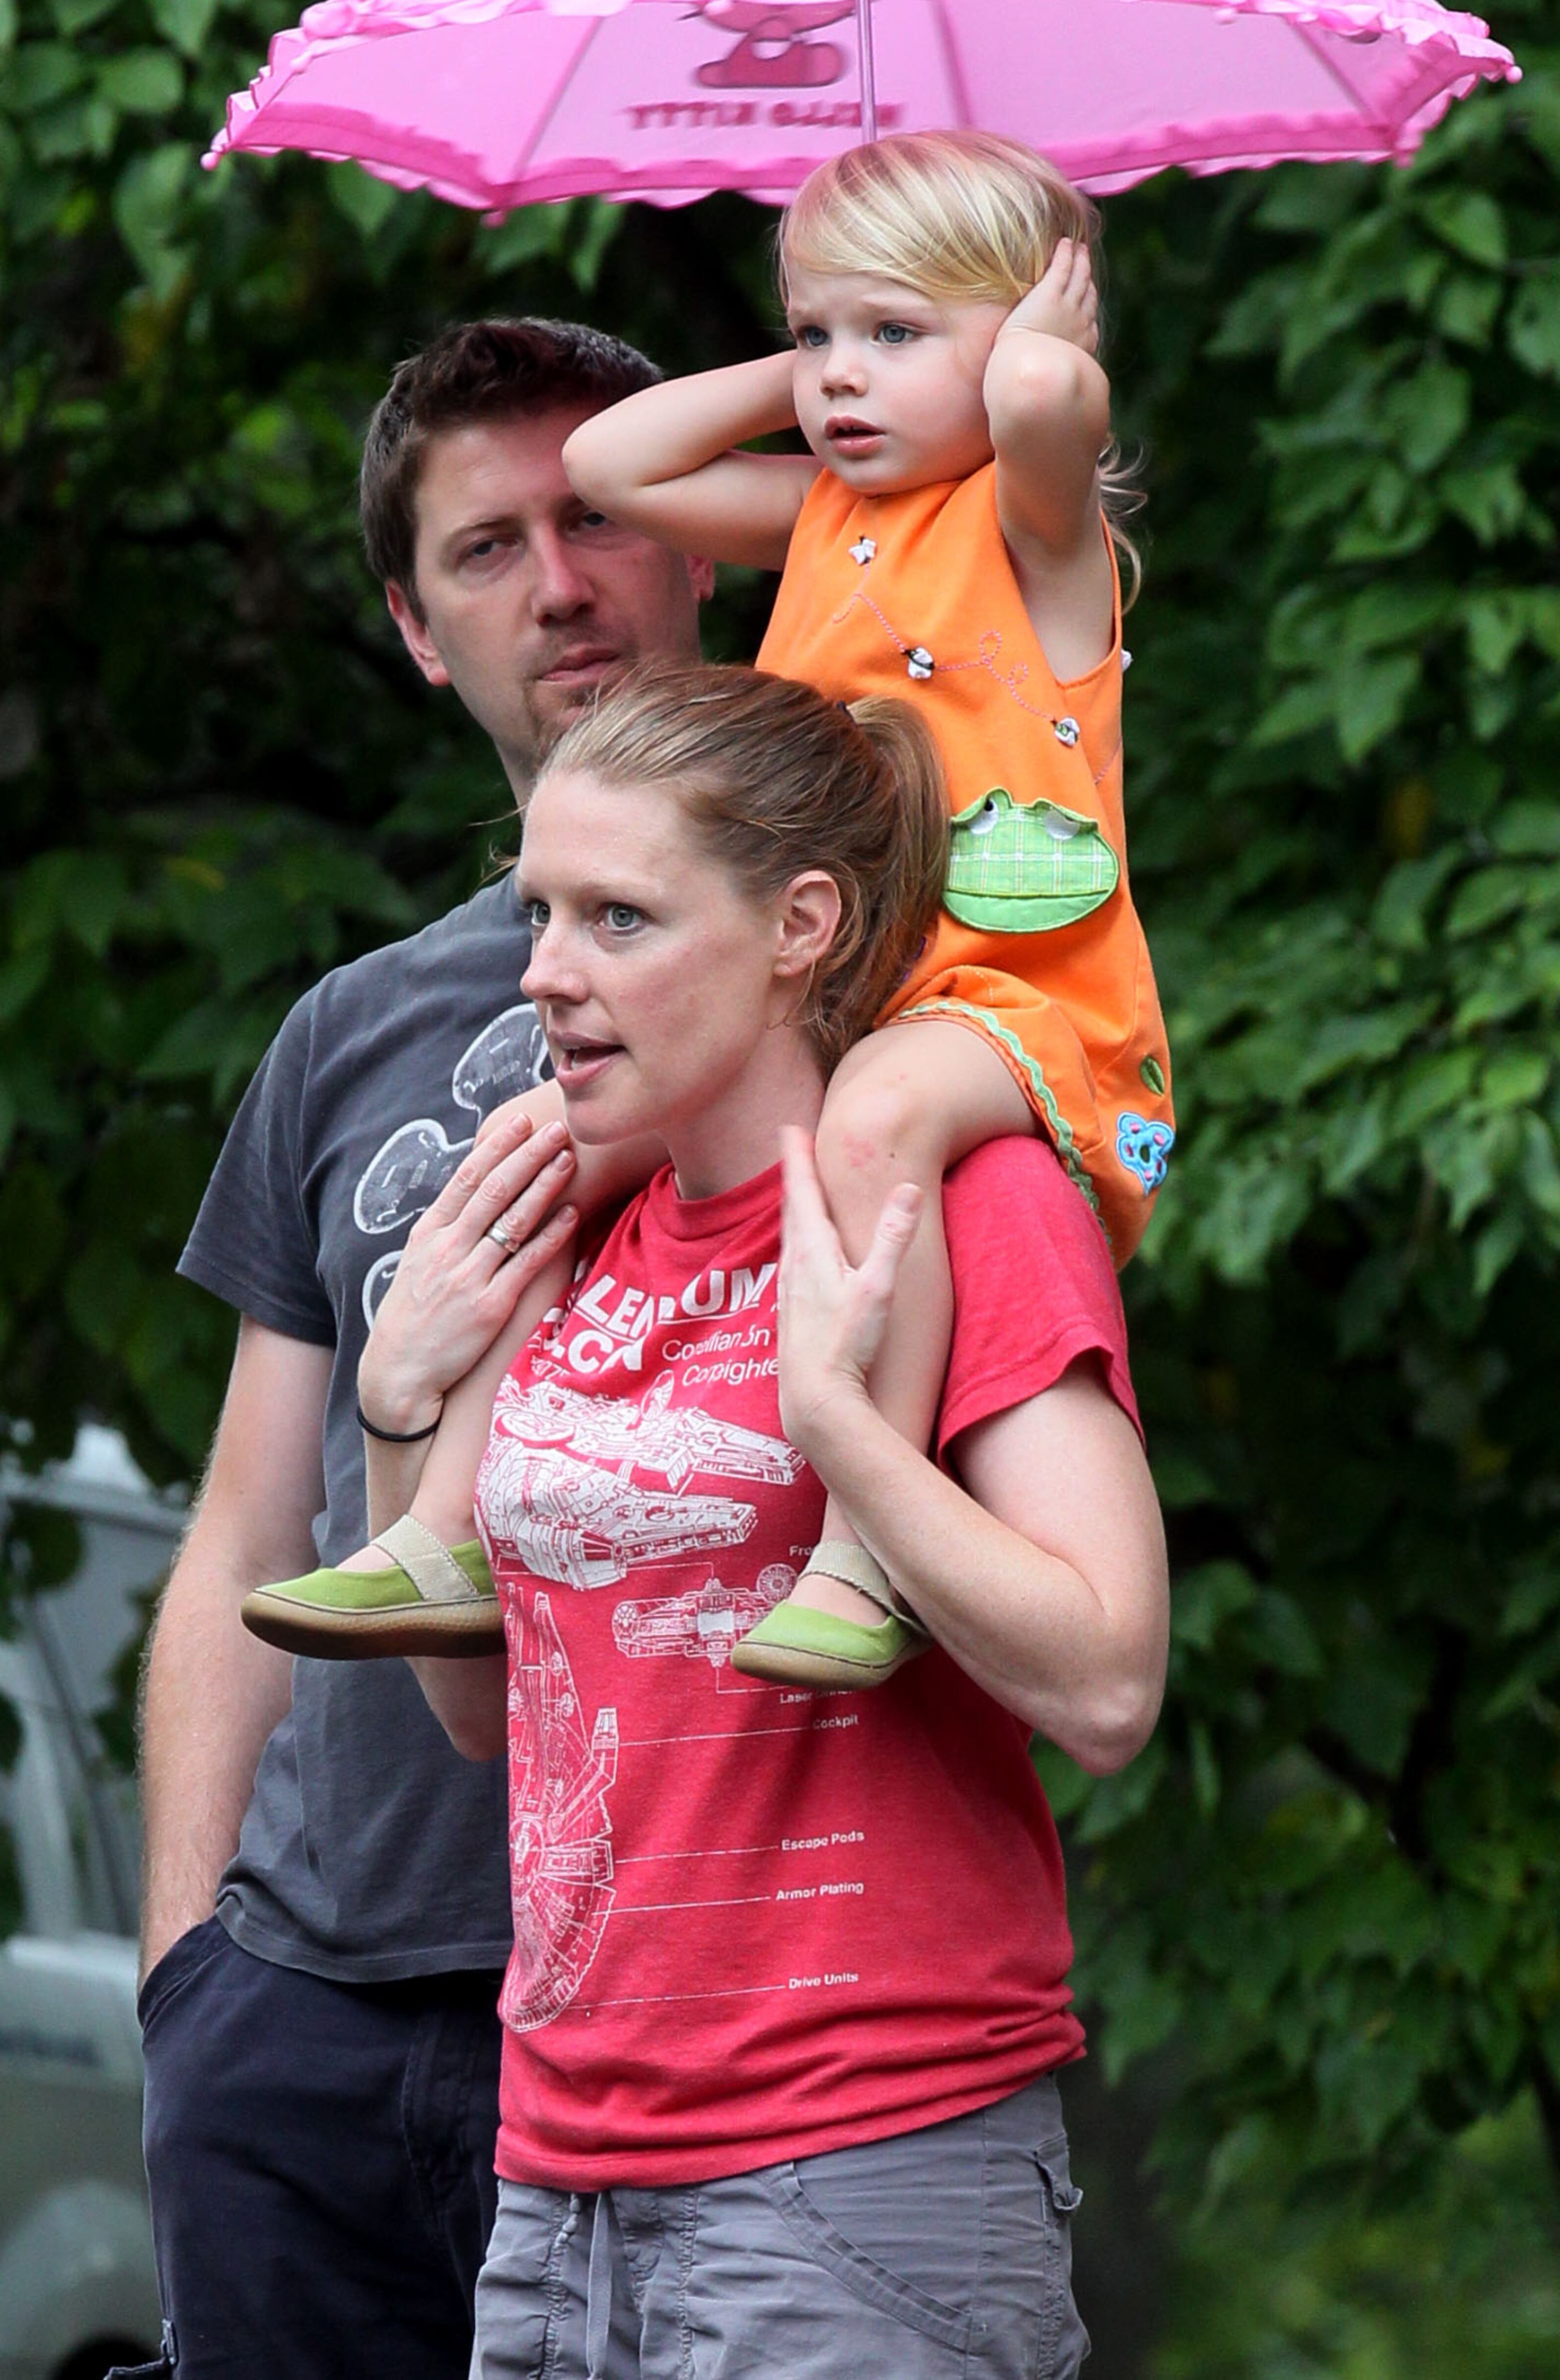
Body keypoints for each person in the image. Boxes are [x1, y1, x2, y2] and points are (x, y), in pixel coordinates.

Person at [257, 128, 1173, 1693]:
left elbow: (1038, 409)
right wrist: (826, 362)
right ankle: (451, 1529)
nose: (841, 375)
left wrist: (1031, 334)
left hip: (1015, 1015)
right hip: (834, 993)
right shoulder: (824, 512)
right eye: (818, 333)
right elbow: (615, 463)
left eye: (893, 333)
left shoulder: (1035, 537)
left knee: (879, 1126)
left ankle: (866, 1549)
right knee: (546, 1149)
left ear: (1019, 330)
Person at [354, 662, 1170, 2380]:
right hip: (558, 2182)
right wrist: (398, 1415)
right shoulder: (587, 1233)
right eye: (542, 914)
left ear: (803, 923)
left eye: (620, 918)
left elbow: (1109, 1683)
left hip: (857, 2175)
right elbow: (488, 1720)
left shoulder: (968, 1206)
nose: (546, 975)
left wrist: (843, 1442)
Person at [134, 319, 713, 2380]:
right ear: (413, 625)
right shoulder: (345, 1030)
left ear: (705, 540)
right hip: (301, 2014)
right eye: (486, 547)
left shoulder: (840, 958)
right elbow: (236, 1534)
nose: (559, 581)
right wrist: (185, 1976)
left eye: (603, 514)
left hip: (671, 2004)